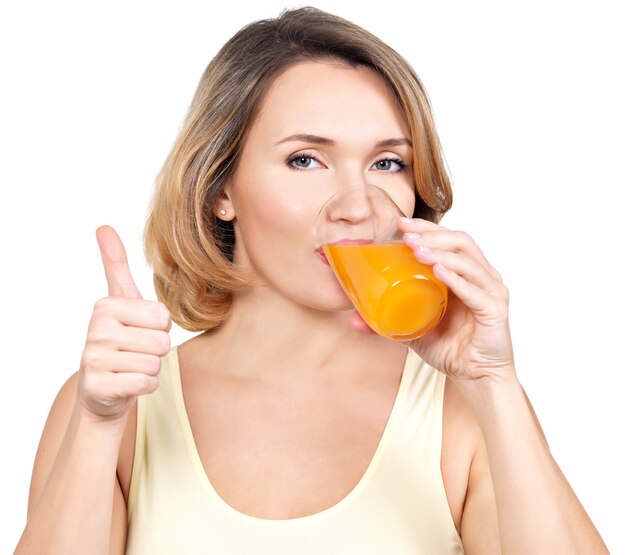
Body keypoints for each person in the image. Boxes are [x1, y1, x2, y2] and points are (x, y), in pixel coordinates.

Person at [15, 7, 608, 554]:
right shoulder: (117, 406)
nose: (358, 204)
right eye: (306, 159)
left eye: (387, 163)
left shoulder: (464, 408)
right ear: (221, 188)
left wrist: (495, 382)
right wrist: (96, 427)